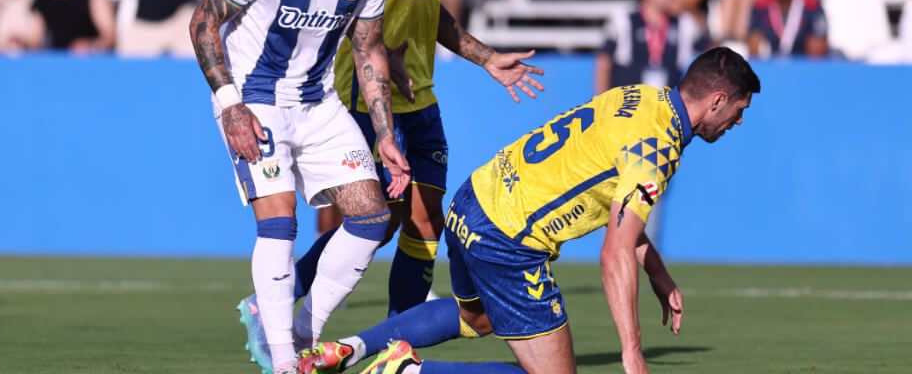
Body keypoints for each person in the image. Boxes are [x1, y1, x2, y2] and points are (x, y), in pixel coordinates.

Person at [299, 46, 762, 374]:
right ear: (717, 100)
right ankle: (405, 372)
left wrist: (657, 272)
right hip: (507, 239)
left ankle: (351, 346)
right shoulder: (658, 147)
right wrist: (632, 353)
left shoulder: (639, 97)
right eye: (739, 110)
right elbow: (614, 253)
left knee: (475, 318)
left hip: (474, 198)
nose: (738, 122)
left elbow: (618, 206)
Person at [285, 0, 544, 330]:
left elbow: (432, 13)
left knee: (426, 222)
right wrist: (383, 47)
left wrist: (486, 57)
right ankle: (277, 302)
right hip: (365, 92)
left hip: (421, 95)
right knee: (375, 221)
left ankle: (395, 341)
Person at [190, 0, 411, 374]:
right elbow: (203, 23)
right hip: (255, 101)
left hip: (318, 102)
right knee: (280, 227)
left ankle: (299, 328)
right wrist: (231, 107)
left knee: (373, 216)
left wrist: (385, 135)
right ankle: (288, 366)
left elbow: (367, 47)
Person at [595, 0, 710, 93]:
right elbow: (604, 61)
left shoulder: (684, 21)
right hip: (625, 105)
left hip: (665, 106)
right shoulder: (623, 18)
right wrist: (602, 99)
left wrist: (691, 9)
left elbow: (709, 49)